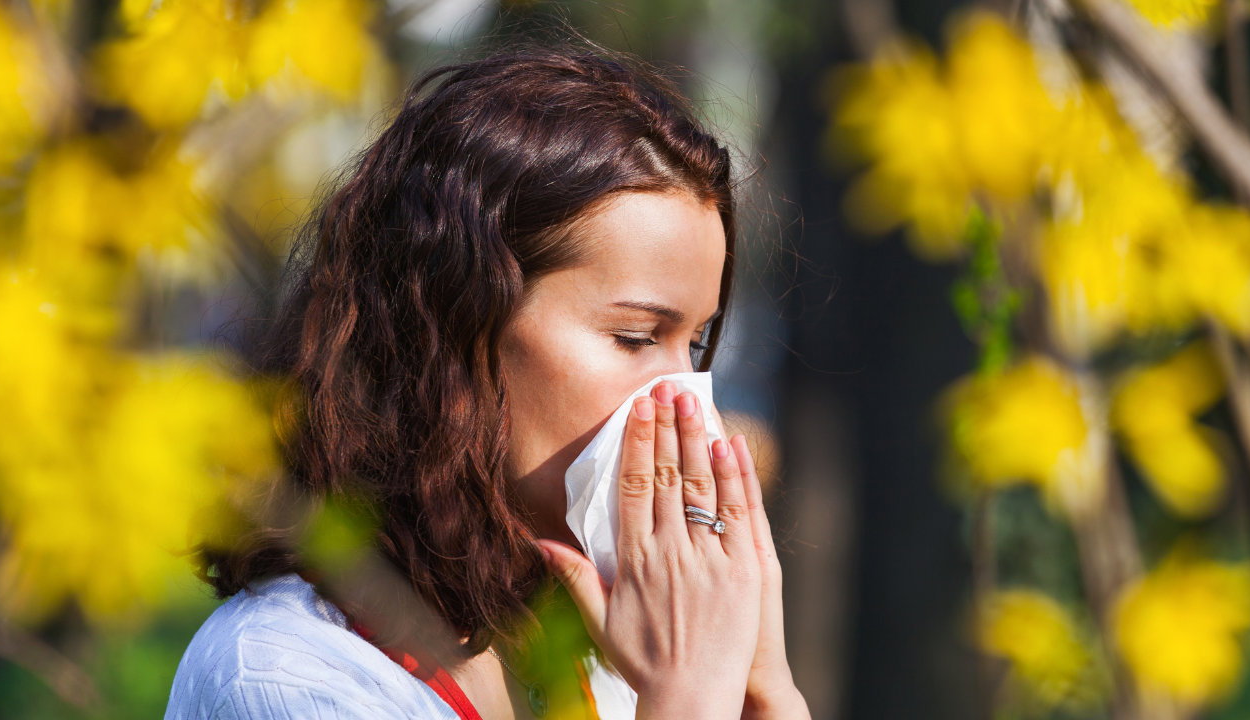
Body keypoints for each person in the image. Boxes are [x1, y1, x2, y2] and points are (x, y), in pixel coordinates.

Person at [164, 43, 810, 720]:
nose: (686, 401)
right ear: (456, 324)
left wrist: (764, 692)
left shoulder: (598, 647)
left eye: (697, 343)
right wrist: (688, 699)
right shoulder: (284, 678)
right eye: (637, 337)